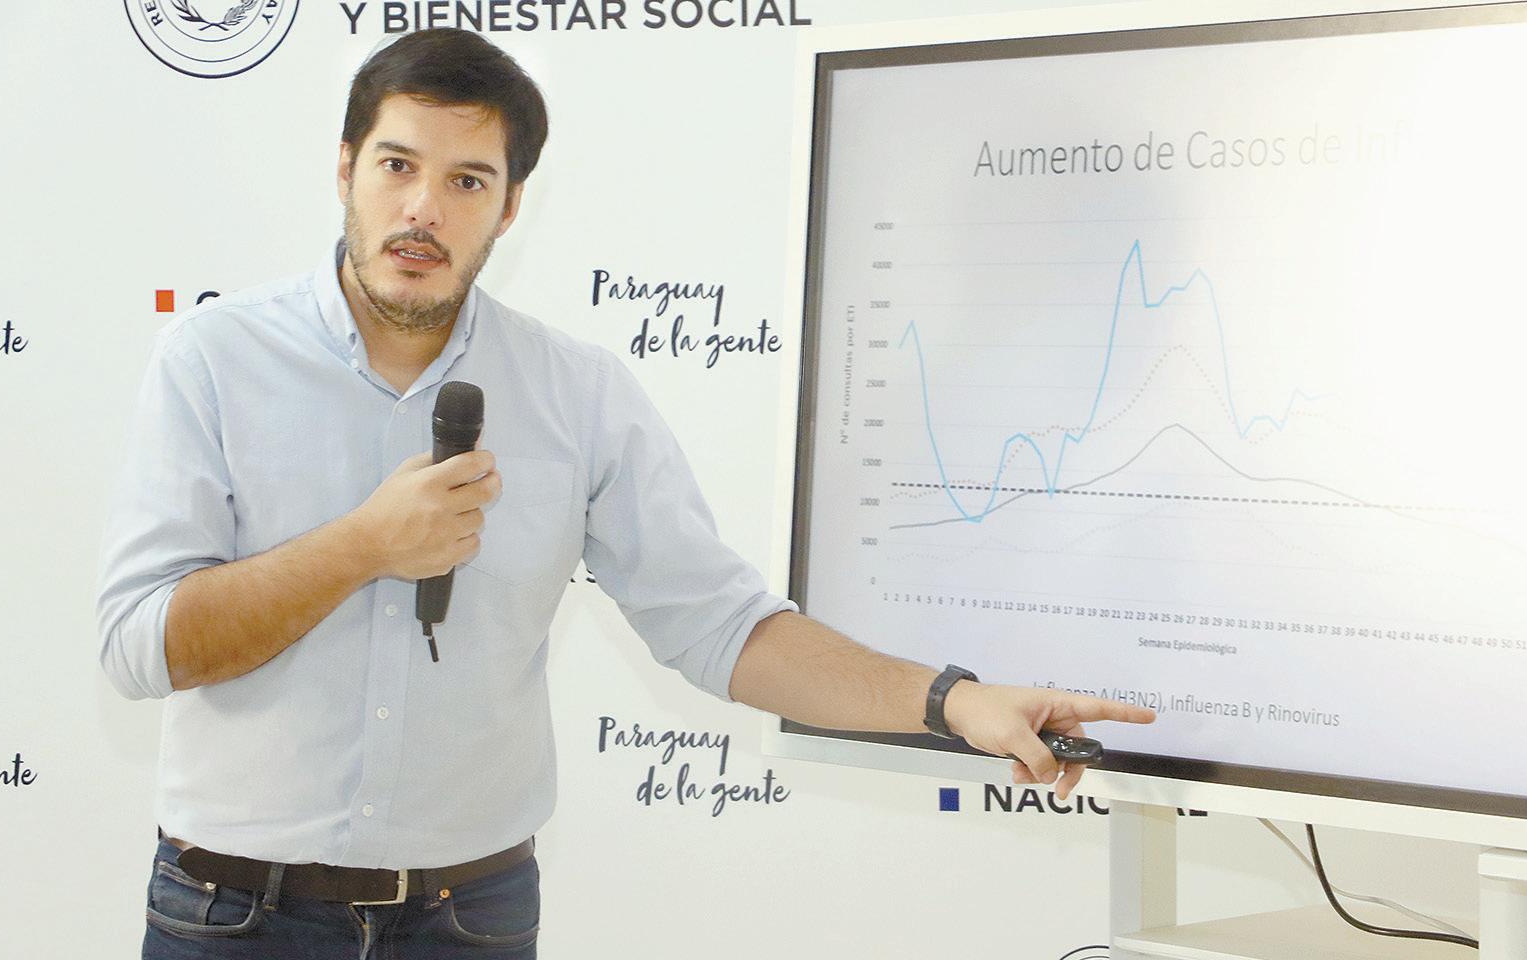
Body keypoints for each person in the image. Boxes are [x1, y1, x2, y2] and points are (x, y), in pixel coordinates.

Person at [94, 27, 1156, 959]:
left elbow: (720, 626)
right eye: (397, 165)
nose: (422, 209)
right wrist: (364, 545)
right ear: (344, 168)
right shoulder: (214, 359)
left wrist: (951, 701)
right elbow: (143, 646)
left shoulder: (575, 391)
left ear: (510, 207)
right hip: (236, 916)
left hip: (468, 921)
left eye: (466, 181)